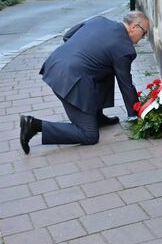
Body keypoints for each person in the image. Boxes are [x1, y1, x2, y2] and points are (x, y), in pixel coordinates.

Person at [18, 11, 150, 153]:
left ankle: (98, 116)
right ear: (134, 27)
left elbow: (67, 36)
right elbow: (126, 85)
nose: (143, 38)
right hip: (70, 80)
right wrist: (137, 115)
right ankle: (34, 125)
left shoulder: (98, 21)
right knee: (89, 135)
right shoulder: (124, 48)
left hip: (54, 63)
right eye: (144, 33)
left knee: (107, 68)